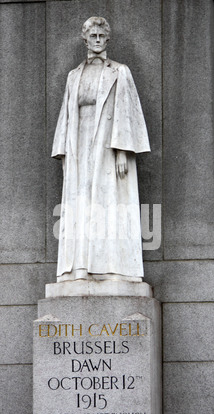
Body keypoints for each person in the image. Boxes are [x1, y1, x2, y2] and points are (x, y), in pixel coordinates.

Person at [51, 17, 150, 282]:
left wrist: (121, 151)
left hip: (108, 144)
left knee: (109, 205)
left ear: (107, 39)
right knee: (81, 206)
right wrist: (64, 152)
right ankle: (80, 268)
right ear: (85, 39)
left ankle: (113, 269)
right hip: (80, 145)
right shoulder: (74, 76)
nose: (96, 40)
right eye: (92, 35)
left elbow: (127, 113)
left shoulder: (120, 71)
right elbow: (66, 116)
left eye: (101, 36)